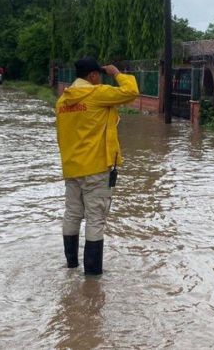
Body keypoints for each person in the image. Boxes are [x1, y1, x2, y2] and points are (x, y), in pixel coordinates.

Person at [55, 57, 139, 276]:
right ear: (93, 75)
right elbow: (131, 91)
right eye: (99, 76)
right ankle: (92, 278)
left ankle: (71, 266)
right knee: (95, 218)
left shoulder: (62, 102)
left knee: (72, 214)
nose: (100, 79)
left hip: (72, 167)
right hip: (95, 168)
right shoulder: (97, 93)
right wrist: (116, 73)